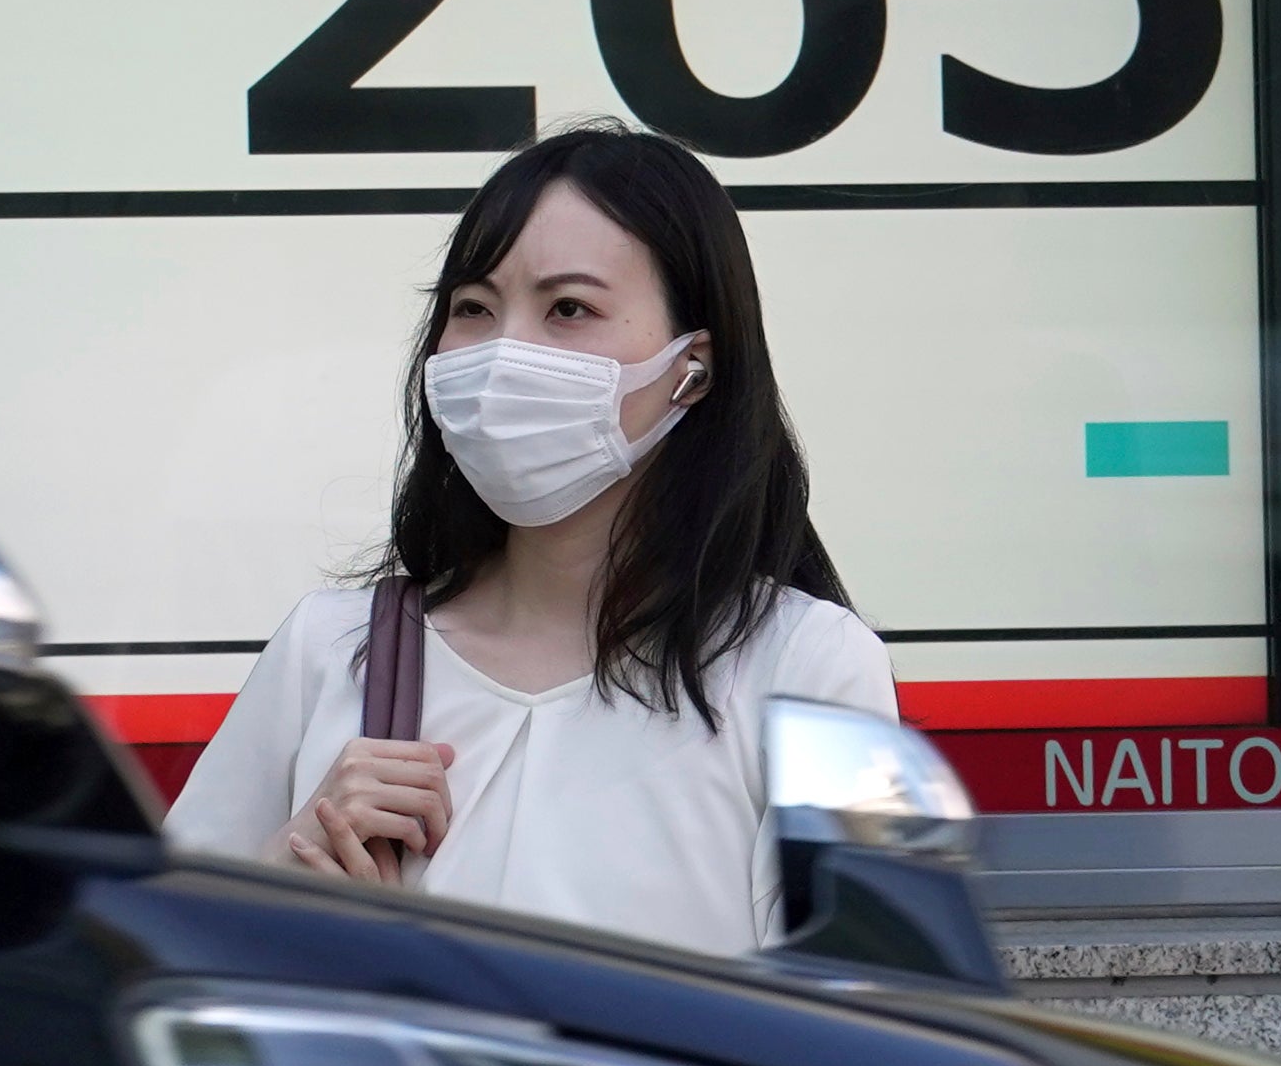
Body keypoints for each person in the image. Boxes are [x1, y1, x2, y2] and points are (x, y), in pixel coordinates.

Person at [168, 125, 896, 957]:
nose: (504, 352)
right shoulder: (329, 648)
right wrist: (285, 873)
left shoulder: (811, 668)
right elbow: (153, 969)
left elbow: (857, 1018)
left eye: (569, 310)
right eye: (473, 308)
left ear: (693, 367)